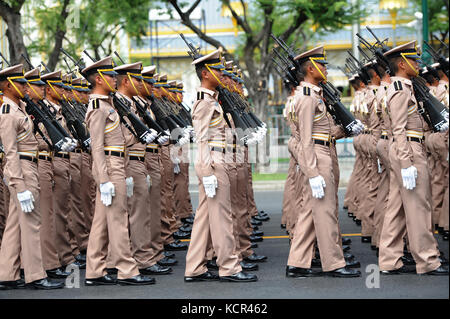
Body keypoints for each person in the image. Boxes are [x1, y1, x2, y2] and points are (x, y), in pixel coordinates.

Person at [285, 46, 361, 278]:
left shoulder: (314, 94)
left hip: (323, 151)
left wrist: (347, 130)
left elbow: (323, 132)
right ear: (310, 68)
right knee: (325, 211)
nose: (326, 68)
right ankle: (334, 263)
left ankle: (297, 263)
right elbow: (306, 139)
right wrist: (312, 172)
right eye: (322, 64)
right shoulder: (307, 97)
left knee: (310, 211)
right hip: (318, 157)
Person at [184, 48, 257, 282]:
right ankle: (229, 267)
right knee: (222, 218)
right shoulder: (204, 102)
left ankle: (195, 267)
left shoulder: (214, 99)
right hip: (214, 163)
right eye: (217, 69)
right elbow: (202, 140)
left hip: (220, 159)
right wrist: (207, 173)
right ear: (205, 73)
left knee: (205, 218)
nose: (221, 73)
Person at [82, 56, 155, 286]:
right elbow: (96, 146)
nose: (115, 79)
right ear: (98, 78)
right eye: (110, 76)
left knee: (102, 222)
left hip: (117, 164)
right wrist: (104, 179)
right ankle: (127, 269)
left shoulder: (107, 104)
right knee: (118, 220)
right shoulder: (97, 107)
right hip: (110, 168)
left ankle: (94, 271)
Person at [378, 41, 448, 275]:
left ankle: (389, 260)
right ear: (402, 63)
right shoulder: (400, 89)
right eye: (414, 60)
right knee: (419, 207)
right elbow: (398, 128)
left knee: (397, 208)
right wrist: (407, 163)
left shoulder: (404, 86)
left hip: (406, 148)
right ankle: (427, 261)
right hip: (408, 149)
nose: (418, 63)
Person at [0, 64, 64, 289]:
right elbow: (10, 152)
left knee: (16, 224)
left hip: (29, 167)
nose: (25, 87)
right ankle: (36, 276)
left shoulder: (19, 108)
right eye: (21, 83)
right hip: (23, 170)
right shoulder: (8, 112)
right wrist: (19, 185)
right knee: (31, 224)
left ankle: (6, 274)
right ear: (8, 86)